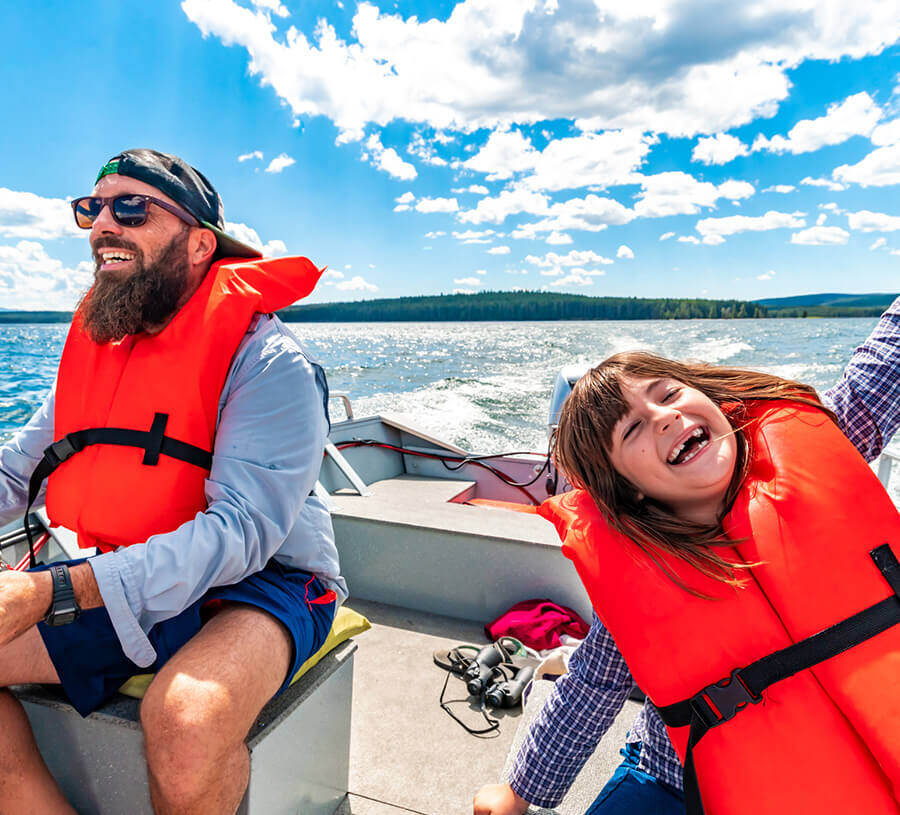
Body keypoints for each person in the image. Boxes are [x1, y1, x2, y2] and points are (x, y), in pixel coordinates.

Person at [0, 148, 347, 815]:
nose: (105, 222)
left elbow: (239, 535)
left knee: (186, 720)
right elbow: (17, 467)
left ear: (198, 243)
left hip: (267, 581)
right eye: (91, 208)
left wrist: (49, 591)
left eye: (131, 207)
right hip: (134, 569)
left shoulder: (271, 361)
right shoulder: (97, 356)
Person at [474, 296, 900, 815]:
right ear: (625, 489)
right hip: (680, 780)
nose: (663, 416)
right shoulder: (643, 578)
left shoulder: (824, 443)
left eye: (668, 393)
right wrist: (519, 794)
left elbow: (883, 365)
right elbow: (593, 684)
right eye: (631, 429)